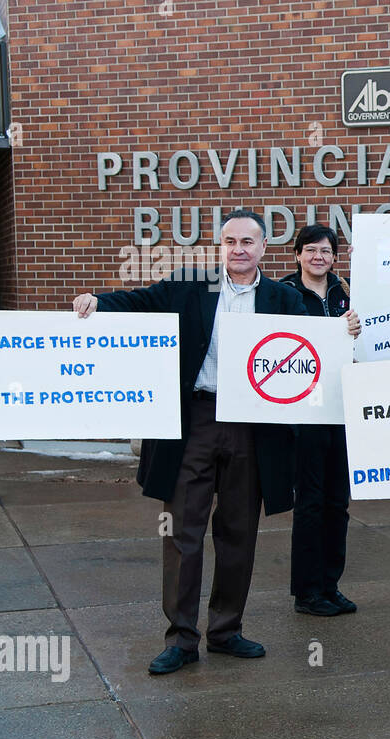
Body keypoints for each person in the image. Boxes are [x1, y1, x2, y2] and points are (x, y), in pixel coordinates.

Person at [73, 210, 323, 675]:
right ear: (220, 246)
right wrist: (97, 302)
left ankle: (227, 631)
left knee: (238, 531)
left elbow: (316, 346)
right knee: (182, 532)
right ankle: (182, 639)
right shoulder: (191, 285)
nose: (239, 249)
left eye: (248, 241)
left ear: (264, 247)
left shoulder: (283, 298)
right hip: (195, 420)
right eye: (230, 241)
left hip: (252, 425)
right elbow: (140, 302)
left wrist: (345, 333)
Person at [279, 224, 361, 616]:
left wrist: (355, 332)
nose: (318, 257)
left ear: (334, 256)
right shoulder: (282, 293)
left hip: (340, 406)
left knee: (337, 503)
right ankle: (307, 592)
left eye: (325, 251)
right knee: (309, 503)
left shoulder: (343, 293)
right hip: (303, 410)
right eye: (310, 250)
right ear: (297, 255)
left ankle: (331, 585)